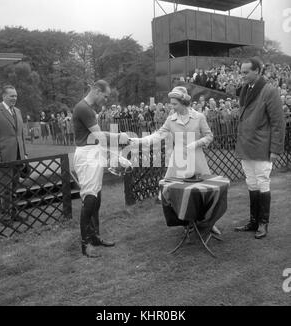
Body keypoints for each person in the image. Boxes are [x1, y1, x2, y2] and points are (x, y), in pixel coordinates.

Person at [130, 86, 221, 235]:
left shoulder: (199, 117)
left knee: (203, 193)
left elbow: (209, 136)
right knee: (179, 194)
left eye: (174, 104)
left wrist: (196, 143)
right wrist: (139, 141)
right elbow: (158, 135)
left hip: (197, 159)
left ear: (183, 102)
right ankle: (187, 223)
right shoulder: (171, 119)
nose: (172, 107)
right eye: (171, 104)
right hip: (178, 161)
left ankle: (209, 223)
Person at [72, 80, 130, 258]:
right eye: (104, 96)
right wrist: (119, 136)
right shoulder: (83, 108)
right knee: (89, 198)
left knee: (96, 197)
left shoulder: (88, 109)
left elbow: (95, 138)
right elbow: (98, 135)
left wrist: (113, 154)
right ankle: (85, 244)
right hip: (86, 156)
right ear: (96, 90)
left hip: (93, 152)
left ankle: (94, 237)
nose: (105, 99)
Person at [234, 57, 285, 239]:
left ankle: (263, 224)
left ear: (258, 71)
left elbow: (278, 123)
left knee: (263, 183)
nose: (243, 75)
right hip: (246, 145)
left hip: (262, 146)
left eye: (246, 72)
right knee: (251, 183)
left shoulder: (269, 90)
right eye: (242, 72)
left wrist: (275, 149)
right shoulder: (246, 89)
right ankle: (254, 221)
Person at [0, 85, 28, 225]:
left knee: (14, 185)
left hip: (18, 155)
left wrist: (25, 153)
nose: (14, 98)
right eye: (11, 96)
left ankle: (14, 213)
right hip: (3, 155)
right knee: (4, 187)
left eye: (16, 96)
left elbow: (21, 133)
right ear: (4, 96)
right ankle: (5, 216)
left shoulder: (17, 111)